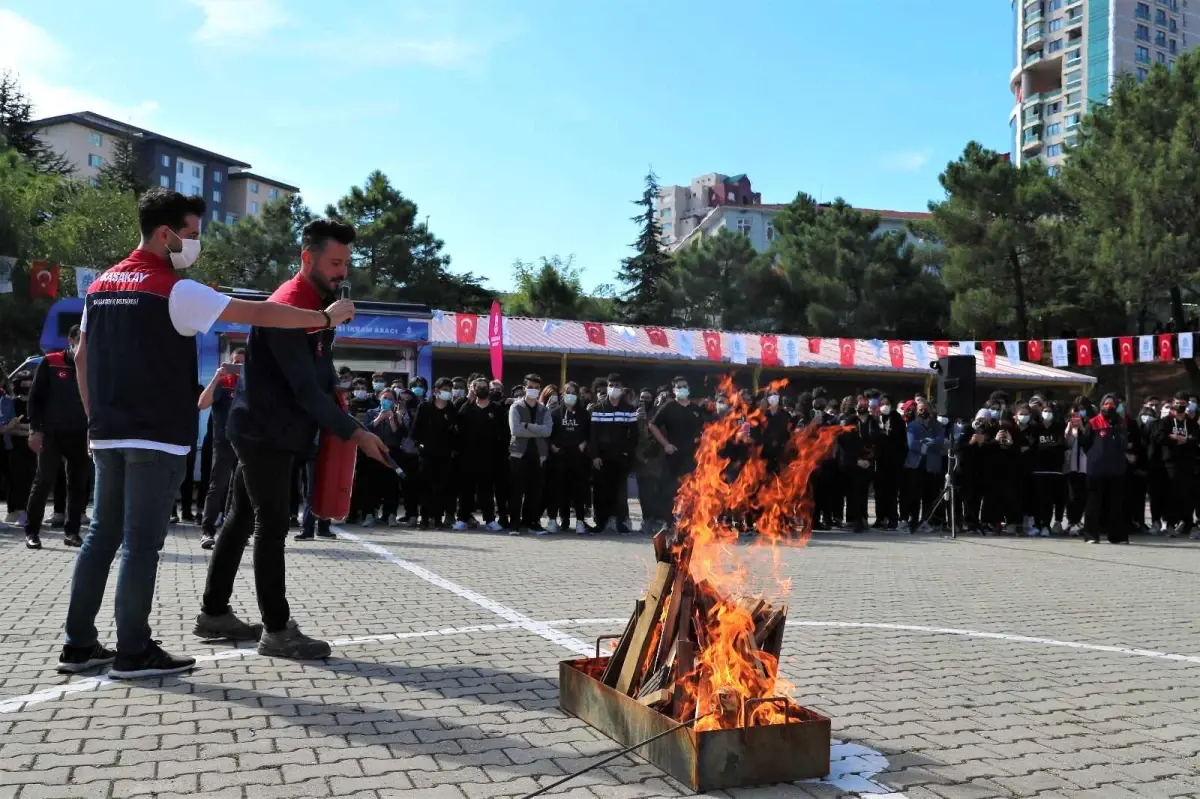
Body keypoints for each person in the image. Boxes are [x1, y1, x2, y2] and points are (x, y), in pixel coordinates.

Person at [62, 190, 359, 678]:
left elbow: (81, 356)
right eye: (192, 234)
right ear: (165, 234)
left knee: (101, 537)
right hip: (155, 435)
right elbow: (260, 313)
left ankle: (78, 646)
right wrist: (324, 318)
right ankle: (133, 650)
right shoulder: (173, 288)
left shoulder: (100, 286)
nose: (195, 245)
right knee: (141, 544)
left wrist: (96, 422)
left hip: (108, 433)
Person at [196, 217, 389, 661]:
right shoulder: (288, 305)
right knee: (271, 524)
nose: (343, 272)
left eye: (346, 263)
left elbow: (318, 376)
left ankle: (213, 613)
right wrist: (354, 433)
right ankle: (277, 629)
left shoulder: (321, 307)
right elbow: (303, 388)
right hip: (263, 432)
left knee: (242, 519)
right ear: (308, 259)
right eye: (335, 262)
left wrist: (341, 407)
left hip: (272, 429)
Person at [23, 325, 90, 550]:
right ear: (71, 340)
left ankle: (72, 532)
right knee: (43, 481)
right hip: (51, 433)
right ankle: (32, 531)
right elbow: (35, 399)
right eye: (81, 340)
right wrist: (35, 429)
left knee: (78, 484)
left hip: (80, 434)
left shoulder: (92, 366)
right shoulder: (50, 362)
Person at [197, 348, 244, 549]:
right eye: (235, 362)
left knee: (242, 488)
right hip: (223, 443)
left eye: (242, 364)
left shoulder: (251, 385)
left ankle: (233, 530)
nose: (237, 367)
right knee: (218, 486)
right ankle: (207, 531)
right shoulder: (222, 384)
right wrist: (217, 377)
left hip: (246, 444)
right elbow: (202, 403)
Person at [649, 376, 711, 529]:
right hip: (673, 455)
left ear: (688, 388)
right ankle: (668, 522)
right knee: (670, 490)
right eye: (679, 387)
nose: (682, 389)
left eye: (684, 386)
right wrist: (665, 444)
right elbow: (652, 425)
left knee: (693, 490)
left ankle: (691, 521)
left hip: (693, 456)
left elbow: (705, 429)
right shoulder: (669, 406)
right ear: (674, 390)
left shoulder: (695, 409)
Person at [454, 377, 506, 532]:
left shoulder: (496, 409)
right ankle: (462, 518)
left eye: (485, 387)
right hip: (467, 456)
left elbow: (503, 434)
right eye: (479, 387)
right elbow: (457, 424)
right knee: (466, 491)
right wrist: (468, 400)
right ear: (474, 390)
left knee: (487, 491)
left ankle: (490, 520)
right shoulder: (467, 407)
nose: (482, 389)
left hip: (489, 457)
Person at [1076, 393, 1129, 544]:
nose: (1108, 407)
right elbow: (1085, 442)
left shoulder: (1121, 423)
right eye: (1106, 404)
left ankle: (1117, 536)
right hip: (1096, 469)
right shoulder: (1093, 422)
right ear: (1101, 405)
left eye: (1112, 404)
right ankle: (1091, 535)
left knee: (1116, 504)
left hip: (1116, 468)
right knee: (1094, 503)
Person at [590, 374, 639, 534]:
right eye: (611, 385)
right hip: (602, 458)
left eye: (617, 385)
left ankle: (620, 522)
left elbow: (634, 435)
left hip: (621, 457)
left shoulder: (629, 410)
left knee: (620, 491)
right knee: (601, 490)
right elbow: (593, 435)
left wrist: (627, 454)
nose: (613, 388)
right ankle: (600, 523)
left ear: (622, 388)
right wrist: (595, 455)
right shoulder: (598, 408)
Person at [508, 373, 552, 534]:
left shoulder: (543, 409)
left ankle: (532, 522)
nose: (533, 390)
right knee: (516, 491)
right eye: (530, 387)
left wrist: (527, 426)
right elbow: (515, 430)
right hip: (518, 455)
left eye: (536, 388)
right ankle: (514, 524)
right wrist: (536, 430)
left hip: (538, 455)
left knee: (535, 492)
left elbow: (547, 431)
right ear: (524, 388)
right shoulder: (516, 407)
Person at [412, 377, 459, 529]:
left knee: (441, 487)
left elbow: (455, 433)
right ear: (436, 391)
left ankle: (438, 518)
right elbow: (415, 429)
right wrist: (419, 445)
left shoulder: (451, 409)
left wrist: (453, 449)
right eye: (445, 390)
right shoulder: (425, 407)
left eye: (449, 390)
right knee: (425, 487)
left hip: (444, 455)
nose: (448, 393)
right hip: (426, 454)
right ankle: (424, 518)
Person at [1152, 393, 1199, 538]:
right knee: (1172, 493)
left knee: (1187, 494)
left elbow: (1195, 438)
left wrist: (1181, 439)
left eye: (1183, 403)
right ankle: (1170, 523)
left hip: (1187, 462)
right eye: (1178, 402)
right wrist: (1176, 440)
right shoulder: (1166, 422)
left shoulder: (1190, 423)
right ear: (1173, 403)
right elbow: (1160, 438)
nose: (1181, 405)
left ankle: (1187, 522)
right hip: (1170, 462)